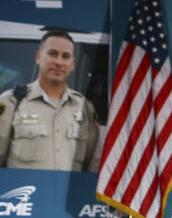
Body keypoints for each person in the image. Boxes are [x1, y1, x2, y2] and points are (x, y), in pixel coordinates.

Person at [0, 30, 99, 171]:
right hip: (26, 193)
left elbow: (93, 167)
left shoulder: (85, 108)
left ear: (72, 64)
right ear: (38, 57)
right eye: (52, 54)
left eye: (65, 56)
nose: (59, 62)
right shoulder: (12, 103)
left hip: (69, 193)